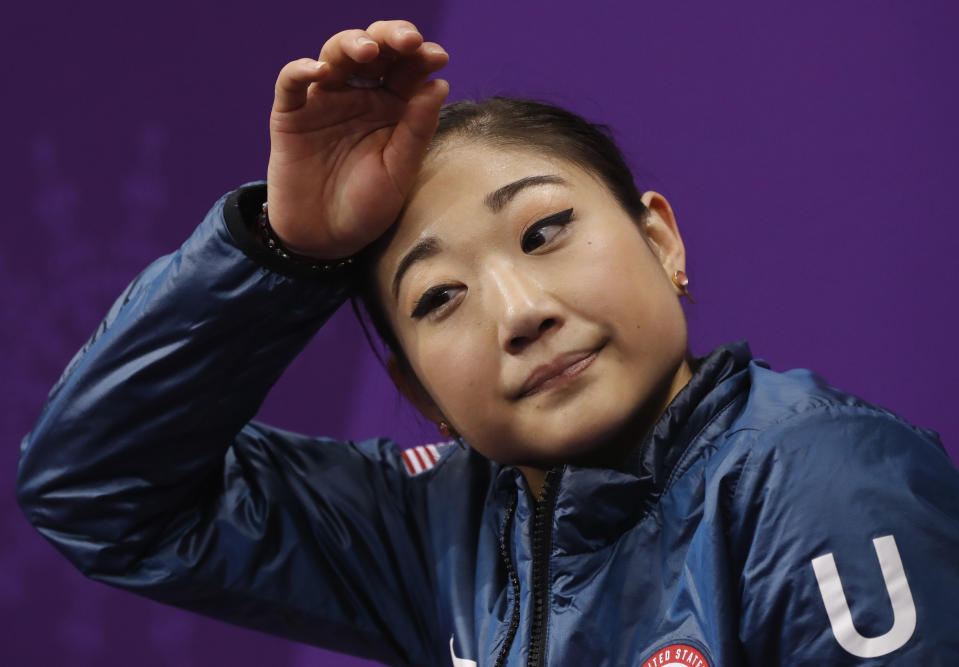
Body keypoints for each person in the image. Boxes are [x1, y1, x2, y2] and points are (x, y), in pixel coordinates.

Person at [16, 19, 959, 667]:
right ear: (418, 389)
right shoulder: (430, 528)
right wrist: (285, 248)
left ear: (660, 240)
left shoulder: (825, 481)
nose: (517, 311)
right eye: (439, 298)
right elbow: (96, 491)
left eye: (544, 232)